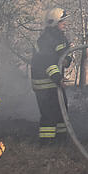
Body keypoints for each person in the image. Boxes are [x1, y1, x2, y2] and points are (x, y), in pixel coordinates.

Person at [30, 8, 72, 143]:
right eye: (62, 21)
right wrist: (58, 79)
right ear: (54, 22)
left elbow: (65, 54)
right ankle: (47, 144)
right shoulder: (45, 40)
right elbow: (47, 62)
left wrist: (67, 60)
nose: (65, 23)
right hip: (44, 83)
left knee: (61, 111)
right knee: (49, 114)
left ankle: (61, 141)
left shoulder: (60, 38)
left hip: (54, 81)